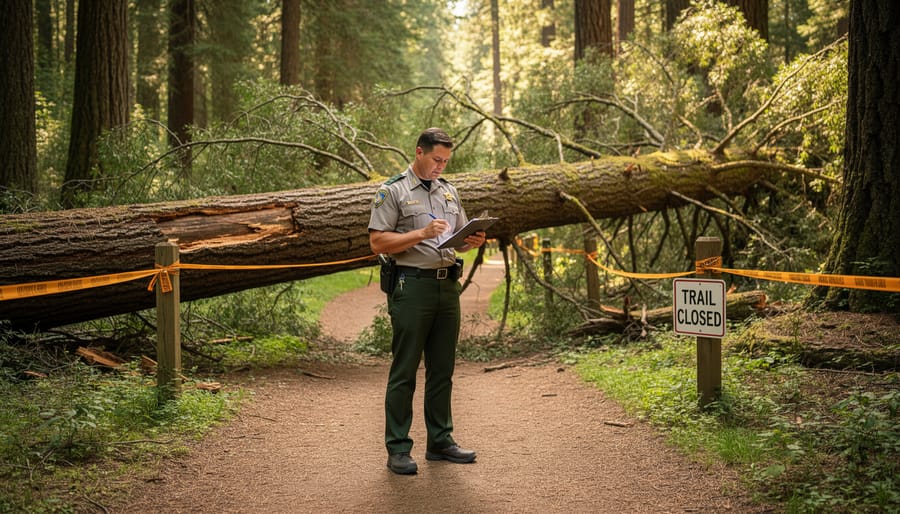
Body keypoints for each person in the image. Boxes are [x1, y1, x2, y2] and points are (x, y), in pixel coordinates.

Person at [368, 127, 486, 475]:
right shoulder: (393, 191)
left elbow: (457, 239)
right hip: (412, 286)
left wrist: (471, 240)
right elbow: (377, 243)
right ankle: (399, 448)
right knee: (404, 370)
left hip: (446, 287)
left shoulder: (449, 191)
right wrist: (421, 233)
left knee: (442, 370)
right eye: (437, 159)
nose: (441, 166)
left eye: (446, 161)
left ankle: (440, 441)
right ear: (419, 152)